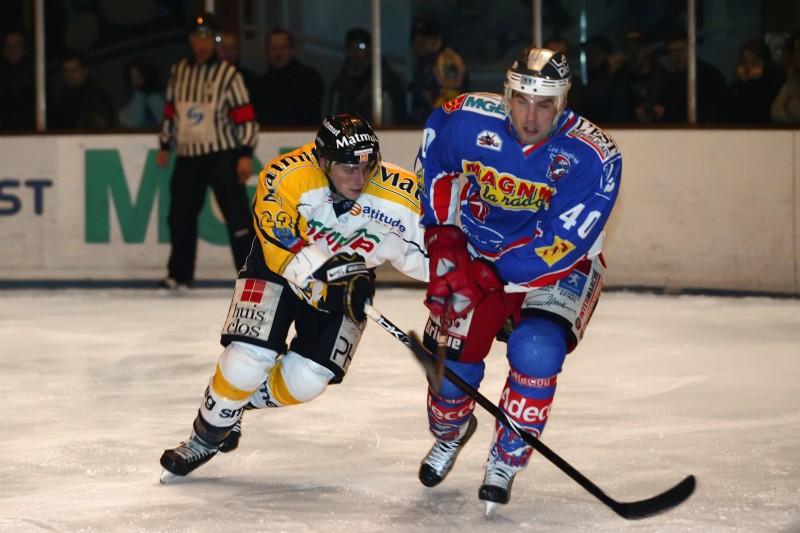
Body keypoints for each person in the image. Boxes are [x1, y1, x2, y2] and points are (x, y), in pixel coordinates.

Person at [158, 113, 428, 480]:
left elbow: (439, 257)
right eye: (349, 168)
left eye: (367, 167)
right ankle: (205, 436)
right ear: (323, 162)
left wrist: (478, 292)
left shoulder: (401, 195)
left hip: (349, 283)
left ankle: (233, 403)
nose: (360, 179)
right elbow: (276, 235)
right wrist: (323, 273)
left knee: (308, 380)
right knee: (248, 359)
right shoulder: (287, 174)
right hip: (278, 268)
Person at [414, 48, 622, 515]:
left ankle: (505, 459)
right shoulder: (463, 119)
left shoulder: (593, 155)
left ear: (563, 103)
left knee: (537, 350)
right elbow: (437, 172)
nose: (531, 117)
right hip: (479, 250)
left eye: (545, 105)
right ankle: (450, 433)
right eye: (522, 101)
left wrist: (486, 276)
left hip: (561, 265)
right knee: (451, 373)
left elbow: (561, 242)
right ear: (506, 95)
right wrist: (445, 245)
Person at [155, 12, 259, 291]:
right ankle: (179, 274)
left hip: (222, 154)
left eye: (207, 38)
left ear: (215, 41)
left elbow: (245, 116)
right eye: (196, 37)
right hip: (188, 155)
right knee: (179, 216)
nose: (202, 44)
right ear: (190, 40)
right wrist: (164, 144)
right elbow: (170, 111)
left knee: (237, 218)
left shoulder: (228, 74)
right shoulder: (179, 71)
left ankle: (251, 273)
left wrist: (245, 152)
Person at [328, 28, 408, 125]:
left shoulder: (385, 80)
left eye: (361, 46)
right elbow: (332, 114)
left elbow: (397, 115)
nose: (356, 51)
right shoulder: (339, 84)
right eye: (351, 47)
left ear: (370, 48)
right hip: (347, 132)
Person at [254, 27, 324, 126]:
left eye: (283, 48)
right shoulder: (260, 84)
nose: (278, 53)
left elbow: (310, 116)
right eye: (273, 48)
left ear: (292, 50)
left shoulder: (309, 79)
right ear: (267, 51)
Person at [653, 33, 727, 123]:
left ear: (692, 50)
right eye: (671, 51)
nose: (676, 55)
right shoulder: (669, 84)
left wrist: (667, 116)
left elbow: (712, 114)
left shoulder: (710, 77)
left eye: (681, 50)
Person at [408, 18, 469, 123]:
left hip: (442, 124)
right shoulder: (428, 60)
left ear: (436, 39)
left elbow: (451, 98)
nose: (418, 43)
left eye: (424, 39)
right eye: (416, 39)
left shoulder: (447, 59)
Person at [50, 51, 116, 129]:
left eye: (75, 70)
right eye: (66, 71)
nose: (70, 75)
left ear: (85, 71)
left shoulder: (95, 97)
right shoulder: (64, 97)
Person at [724, 39, 784, 124]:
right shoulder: (737, 87)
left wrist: (751, 82)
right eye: (745, 62)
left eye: (755, 61)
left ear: (765, 62)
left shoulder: (774, 83)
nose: (749, 66)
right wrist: (742, 83)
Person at [0, 29, 35, 130]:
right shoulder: (3, 74)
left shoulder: (35, 75)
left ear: (26, 48)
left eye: (17, 45)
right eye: (8, 45)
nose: (12, 49)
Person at [118, 56, 165, 129]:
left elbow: (167, 121)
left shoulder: (161, 95)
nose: (137, 80)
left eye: (140, 75)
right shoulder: (132, 98)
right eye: (133, 77)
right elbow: (130, 122)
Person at [771, 31, 800, 124]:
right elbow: (775, 112)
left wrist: (791, 104)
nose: (797, 54)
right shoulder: (793, 76)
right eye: (796, 50)